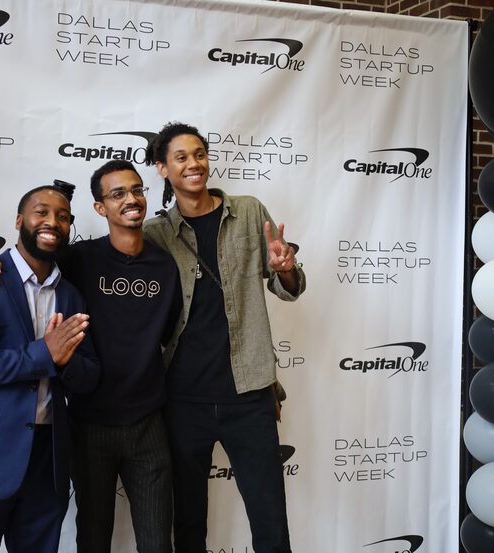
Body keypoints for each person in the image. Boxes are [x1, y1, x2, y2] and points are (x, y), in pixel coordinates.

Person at [0, 160, 181, 553]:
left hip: (149, 423)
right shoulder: (77, 259)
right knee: (92, 538)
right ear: (100, 208)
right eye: (117, 194)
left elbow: (172, 335)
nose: (131, 200)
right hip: (89, 424)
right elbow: (30, 254)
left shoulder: (166, 264)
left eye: (136, 190)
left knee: (157, 543)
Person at [142, 121, 306, 553]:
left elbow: (288, 286)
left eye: (199, 154)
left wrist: (284, 266)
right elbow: (100, 262)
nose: (194, 164)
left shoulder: (250, 211)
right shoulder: (156, 235)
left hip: (249, 394)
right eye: (181, 157)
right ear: (163, 169)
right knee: (188, 522)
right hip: (182, 400)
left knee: (270, 520)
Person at [0, 183, 100, 553]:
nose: (52, 222)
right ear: (19, 220)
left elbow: (88, 376)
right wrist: (43, 354)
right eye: (41, 212)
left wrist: (66, 359)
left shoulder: (72, 294)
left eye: (62, 217)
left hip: (47, 466)